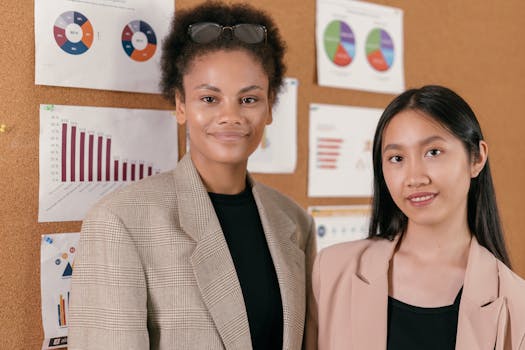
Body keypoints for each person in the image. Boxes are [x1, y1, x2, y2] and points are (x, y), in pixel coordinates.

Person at [68, 2, 316, 349]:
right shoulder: (119, 221)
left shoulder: (295, 223)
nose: (230, 116)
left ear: (270, 106)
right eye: (209, 98)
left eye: (248, 99)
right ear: (181, 105)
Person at [308, 85, 525, 350]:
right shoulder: (332, 271)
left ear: (476, 158)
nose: (414, 178)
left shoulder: (516, 306)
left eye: (433, 152)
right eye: (397, 158)